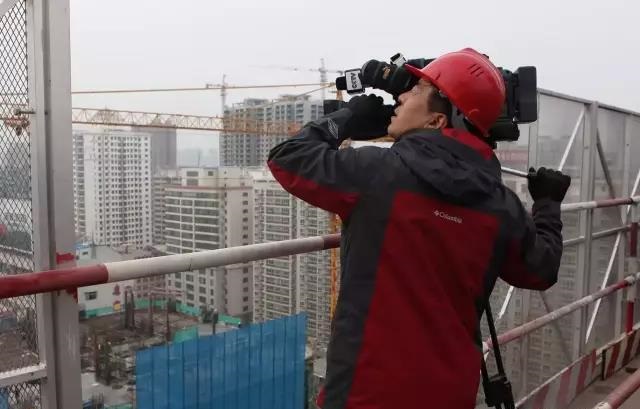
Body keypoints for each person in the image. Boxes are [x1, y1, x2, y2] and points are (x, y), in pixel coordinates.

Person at [267, 48, 571, 409]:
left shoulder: (377, 174)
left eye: (416, 90)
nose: (401, 96)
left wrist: (348, 119)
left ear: (437, 121)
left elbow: (287, 158)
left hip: (366, 394)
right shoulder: (501, 205)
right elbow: (541, 269)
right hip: (449, 394)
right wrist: (547, 204)